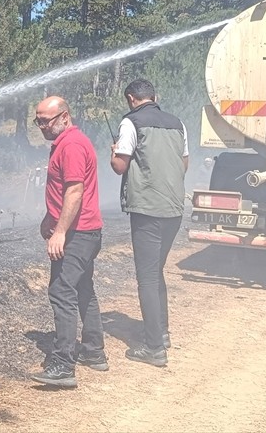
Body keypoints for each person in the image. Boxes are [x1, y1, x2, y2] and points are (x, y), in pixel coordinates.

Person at [110, 79, 188, 368]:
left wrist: (113, 152)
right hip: (174, 209)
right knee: (157, 272)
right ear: (155, 96)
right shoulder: (177, 123)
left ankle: (154, 348)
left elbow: (120, 166)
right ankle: (162, 333)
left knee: (147, 277)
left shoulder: (130, 123)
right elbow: (184, 163)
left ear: (131, 99)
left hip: (146, 210)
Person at [30, 96, 106, 389]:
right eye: (37, 121)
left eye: (45, 120)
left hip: (78, 234)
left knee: (61, 291)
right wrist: (49, 220)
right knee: (84, 289)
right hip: (84, 231)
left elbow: (74, 192)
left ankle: (63, 365)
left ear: (64, 117)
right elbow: (62, 192)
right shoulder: (67, 143)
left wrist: (60, 232)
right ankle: (94, 352)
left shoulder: (72, 145)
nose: (41, 126)